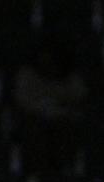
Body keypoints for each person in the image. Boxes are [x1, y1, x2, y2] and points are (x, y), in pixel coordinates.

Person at [13, 37, 88, 171]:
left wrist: (60, 109)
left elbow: (78, 100)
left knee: (67, 131)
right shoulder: (28, 75)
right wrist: (43, 108)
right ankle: (37, 171)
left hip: (63, 120)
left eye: (52, 60)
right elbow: (23, 102)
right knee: (34, 131)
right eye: (44, 60)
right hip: (36, 119)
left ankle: (64, 170)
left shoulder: (72, 78)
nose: (48, 64)